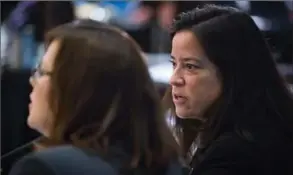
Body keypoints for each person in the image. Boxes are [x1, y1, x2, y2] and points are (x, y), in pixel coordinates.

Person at [9, 19, 182, 175]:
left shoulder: (44, 167)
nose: (33, 81)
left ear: (77, 89)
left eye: (42, 72)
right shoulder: (172, 166)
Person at [163, 4, 293, 175]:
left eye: (190, 66)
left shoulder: (235, 155)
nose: (174, 79)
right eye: (174, 64)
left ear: (232, 72)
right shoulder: (227, 130)